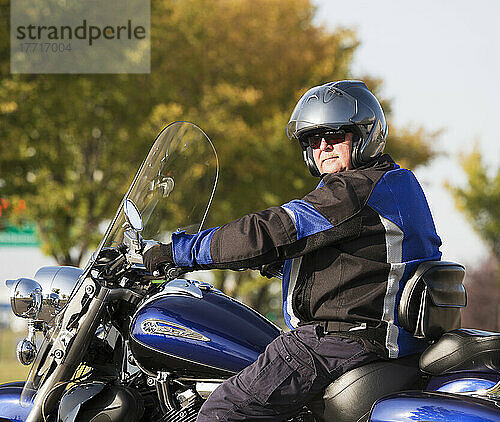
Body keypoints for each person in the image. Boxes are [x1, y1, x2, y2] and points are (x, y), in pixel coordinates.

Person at [143, 80, 442, 421]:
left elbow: (271, 230)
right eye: (313, 139)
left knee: (222, 411)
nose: (323, 146)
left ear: (364, 136)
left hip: (334, 343)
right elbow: (359, 262)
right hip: (369, 340)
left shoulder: (355, 191)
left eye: (336, 135)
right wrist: (272, 264)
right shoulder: (393, 183)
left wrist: (177, 251)